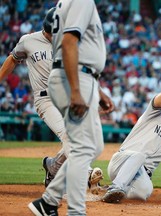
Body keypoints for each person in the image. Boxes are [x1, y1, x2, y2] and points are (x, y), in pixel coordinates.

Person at [0, 7, 102, 189]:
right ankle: (86, 174)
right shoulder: (28, 41)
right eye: (49, 32)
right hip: (45, 99)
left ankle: (52, 167)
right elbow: (12, 59)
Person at [28, 1, 113, 215]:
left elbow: (77, 48)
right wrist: (76, 90)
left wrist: (98, 91)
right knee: (83, 147)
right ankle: (75, 211)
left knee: (94, 146)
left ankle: (47, 202)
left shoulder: (66, 3)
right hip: (75, 78)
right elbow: (68, 43)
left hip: (83, 78)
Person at [102, 90, 161, 203]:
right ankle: (116, 186)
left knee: (145, 192)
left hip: (140, 175)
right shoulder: (155, 114)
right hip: (122, 162)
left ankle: (106, 189)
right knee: (140, 156)